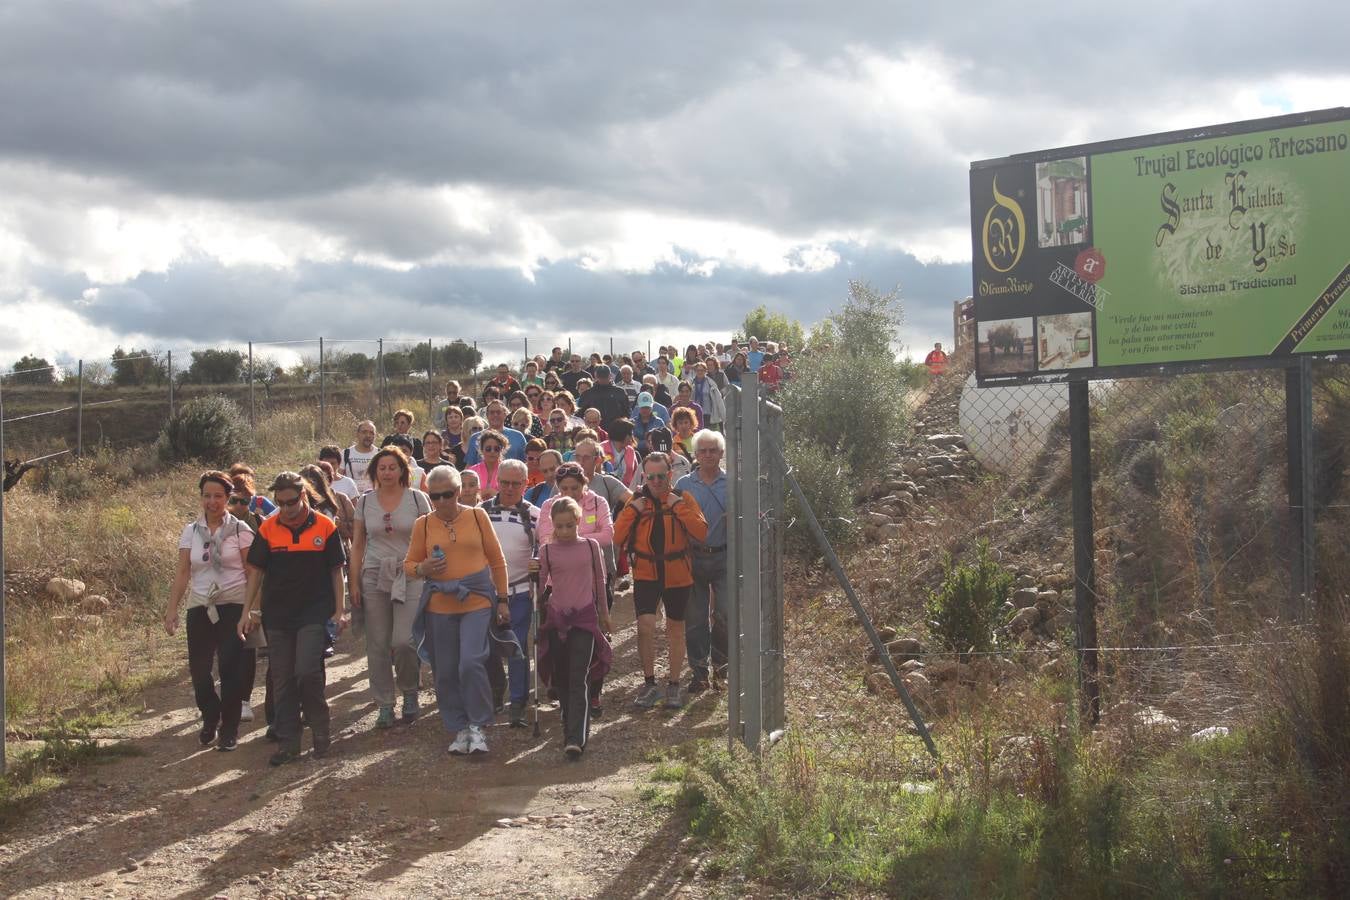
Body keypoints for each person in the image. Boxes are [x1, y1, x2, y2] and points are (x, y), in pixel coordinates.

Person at [239, 472, 348, 765]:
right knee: (282, 678)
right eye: (281, 503)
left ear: (302, 497)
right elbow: (256, 573)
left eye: (291, 502)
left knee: (308, 671)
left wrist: (340, 610)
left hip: (314, 611)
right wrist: (247, 611)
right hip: (278, 614)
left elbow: (336, 572)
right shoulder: (268, 529)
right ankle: (288, 743)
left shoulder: (325, 527)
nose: (286, 509)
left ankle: (320, 729)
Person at [405, 466, 509, 756]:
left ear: (459, 491)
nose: (441, 502)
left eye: (447, 495)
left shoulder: (477, 515)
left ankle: (478, 725)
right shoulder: (423, 524)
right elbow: (409, 565)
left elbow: (497, 560)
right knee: (446, 670)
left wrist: (502, 599)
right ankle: (459, 726)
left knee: (471, 662)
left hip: (476, 600)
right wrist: (422, 568)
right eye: (434, 496)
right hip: (439, 605)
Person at [164, 471, 256, 751]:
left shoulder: (240, 530)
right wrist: (172, 610)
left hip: (233, 604)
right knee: (199, 670)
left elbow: (252, 572)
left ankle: (229, 729)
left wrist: (251, 611)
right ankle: (210, 714)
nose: (212, 502)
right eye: (207, 496)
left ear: (228, 498)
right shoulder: (191, 531)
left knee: (229, 667)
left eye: (218, 496)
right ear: (201, 498)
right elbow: (183, 572)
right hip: (201, 605)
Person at [614, 452, 707, 710]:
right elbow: (617, 536)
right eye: (650, 476)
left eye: (661, 476)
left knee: (675, 629)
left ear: (670, 474)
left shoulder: (683, 498)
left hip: (677, 574)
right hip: (645, 573)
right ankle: (650, 683)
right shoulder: (635, 501)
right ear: (644, 477)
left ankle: (674, 684)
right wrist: (633, 509)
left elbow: (701, 531)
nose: (656, 481)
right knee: (645, 626)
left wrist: (677, 506)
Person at [349, 447, 430, 728]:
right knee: (378, 643)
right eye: (381, 467)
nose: (386, 472)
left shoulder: (418, 499)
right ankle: (385, 703)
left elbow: (431, 539)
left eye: (392, 467)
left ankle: (409, 692)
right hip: (373, 574)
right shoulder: (364, 502)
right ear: (374, 472)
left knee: (404, 641)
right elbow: (357, 544)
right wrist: (354, 581)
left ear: (402, 470)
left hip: (410, 573)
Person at [535, 497, 613, 757]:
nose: (565, 531)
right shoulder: (547, 550)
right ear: (552, 525)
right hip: (557, 619)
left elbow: (600, 582)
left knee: (579, 675)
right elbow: (541, 585)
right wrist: (534, 572)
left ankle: (575, 738)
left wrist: (604, 614)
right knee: (563, 677)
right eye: (560, 527)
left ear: (579, 521)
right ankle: (568, 723)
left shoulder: (590, 547)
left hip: (584, 619)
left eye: (570, 525)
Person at [480, 459, 539, 726]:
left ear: (526, 484)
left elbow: (543, 550)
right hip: (486, 592)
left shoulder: (536, 515)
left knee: (516, 646)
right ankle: (493, 695)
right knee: (487, 647)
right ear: (497, 482)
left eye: (516, 483)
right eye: (505, 482)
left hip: (521, 590)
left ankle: (518, 701)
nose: (510, 488)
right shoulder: (480, 512)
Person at [676, 430, 728, 694]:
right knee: (695, 618)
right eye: (703, 451)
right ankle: (699, 673)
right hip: (693, 558)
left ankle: (722, 670)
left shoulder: (732, 484)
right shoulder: (684, 485)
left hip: (724, 556)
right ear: (695, 454)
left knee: (725, 615)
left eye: (713, 450)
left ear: (721, 453)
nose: (708, 455)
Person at [463, 400, 527, 465]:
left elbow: (526, 463)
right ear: (487, 415)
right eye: (492, 412)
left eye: (498, 412)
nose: (495, 415)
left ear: (505, 414)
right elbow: (470, 466)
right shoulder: (475, 438)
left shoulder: (518, 437)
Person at [577, 365, 630, 431]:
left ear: (610, 376)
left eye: (605, 377)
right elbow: (580, 416)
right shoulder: (588, 394)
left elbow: (627, 413)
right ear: (596, 376)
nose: (603, 380)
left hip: (616, 432)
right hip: (594, 431)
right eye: (601, 377)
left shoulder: (620, 392)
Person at [468, 428, 511, 500]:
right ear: (481, 449)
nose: (492, 452)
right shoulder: (472, 471)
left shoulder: (508, 471)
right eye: (488, 449)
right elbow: (463, 494)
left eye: (496, 449)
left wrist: (495, 493)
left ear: (502, 450)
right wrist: (484, 492)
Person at [600, 419, 643, 490]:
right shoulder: (602, 448)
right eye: (631, 434)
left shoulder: (630, 450)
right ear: (624, 435)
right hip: (607, 490)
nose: (633, 437)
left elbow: (636, 473)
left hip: (627, 491)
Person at [343, 421, 379, 493]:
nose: (368, 435)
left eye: (371, 433)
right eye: (364, 432)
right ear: (357, 434)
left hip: (374, 498)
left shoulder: (380, 454)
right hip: (351, 499)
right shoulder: (345, 453)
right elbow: (338, 478)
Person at [689, 361, 726, 430]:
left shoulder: (711, 384)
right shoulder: (691, 383)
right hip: (694, 413)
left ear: (706, 371)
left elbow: (718, 400)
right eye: (698, 370)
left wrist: (723, 416)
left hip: (707, 413)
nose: (700, 372)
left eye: (702, 370)